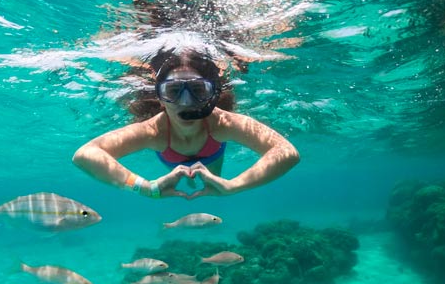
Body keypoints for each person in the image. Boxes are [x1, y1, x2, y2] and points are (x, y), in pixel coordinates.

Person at [72, 49, 299, 199]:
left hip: (212, 152)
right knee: (194, 183)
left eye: (198, 90)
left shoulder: (223, 122)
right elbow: (85, 154)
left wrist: (235, 185)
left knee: (212, 183)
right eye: (173, 91)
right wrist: (145, 187)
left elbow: (287, 152)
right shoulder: (153, 131)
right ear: (160, 97)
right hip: (174, 154)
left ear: (212, 95)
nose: (186, 102)